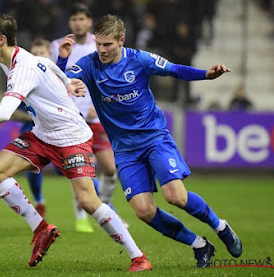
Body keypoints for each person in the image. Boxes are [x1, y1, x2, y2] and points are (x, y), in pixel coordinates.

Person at [0, 13, 151, 272]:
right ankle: (41, 228)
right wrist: (68, 81)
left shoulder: (21, 68)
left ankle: (139, 257)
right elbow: (45, 63)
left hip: (71, 136)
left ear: (1, 39)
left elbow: (4, 113)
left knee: (88, 202)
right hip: (43, 134)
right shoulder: (14, 59)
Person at [57, 14, 242, 268]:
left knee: (176, 197)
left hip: (154, 138)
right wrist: (64, 63)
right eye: (98, 44)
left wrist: (206, 75)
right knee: (144, 211)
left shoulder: (139, 59)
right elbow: (63, 78)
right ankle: (199, 244)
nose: (101, 50)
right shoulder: (89, 64)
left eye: (108, 44)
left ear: (121, 40)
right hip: (124, 150)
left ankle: (221, 227)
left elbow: (175, 69)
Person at [50, 3, 124, 233]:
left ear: (89, 22)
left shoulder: (101, 43)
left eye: (82, 19)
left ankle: (105, 206)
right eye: (74, 19)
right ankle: (82, 216)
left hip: (96, 115)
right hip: (71, 118)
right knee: (81, 170)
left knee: (110, 168)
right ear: (69, 22)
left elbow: (111, 74)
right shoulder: (58, 46)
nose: (78, 23)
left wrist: (97, 103)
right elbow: (54, 78)